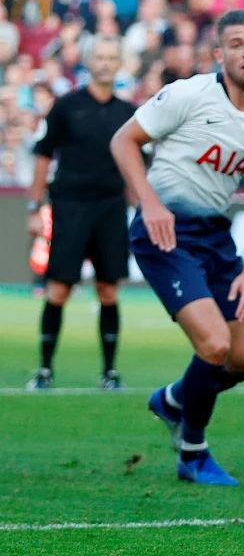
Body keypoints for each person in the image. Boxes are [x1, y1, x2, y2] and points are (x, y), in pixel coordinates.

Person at [109, 10, 244, 486]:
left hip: (215, 237)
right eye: (237, 44)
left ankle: (170, 401)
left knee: (243, 359)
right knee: (213, 343)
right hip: (165, 233)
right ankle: (193, 452)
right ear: (219, 54)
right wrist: (149, 203)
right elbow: (124, 140)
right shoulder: (189, 94)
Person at [25, 35, 136, 390]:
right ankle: (44, 370)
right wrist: (34, 204)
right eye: (99, 57)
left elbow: (137, 166)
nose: (104, 62)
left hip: (111, 208)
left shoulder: (127, 113)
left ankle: (110, 372)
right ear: (88, 62)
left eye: (110, 57)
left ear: (119, 63)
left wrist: (142, 208)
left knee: (108, 291)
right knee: (58, 289)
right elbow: (43, 154)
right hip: (70, 206)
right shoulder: (67, 106)